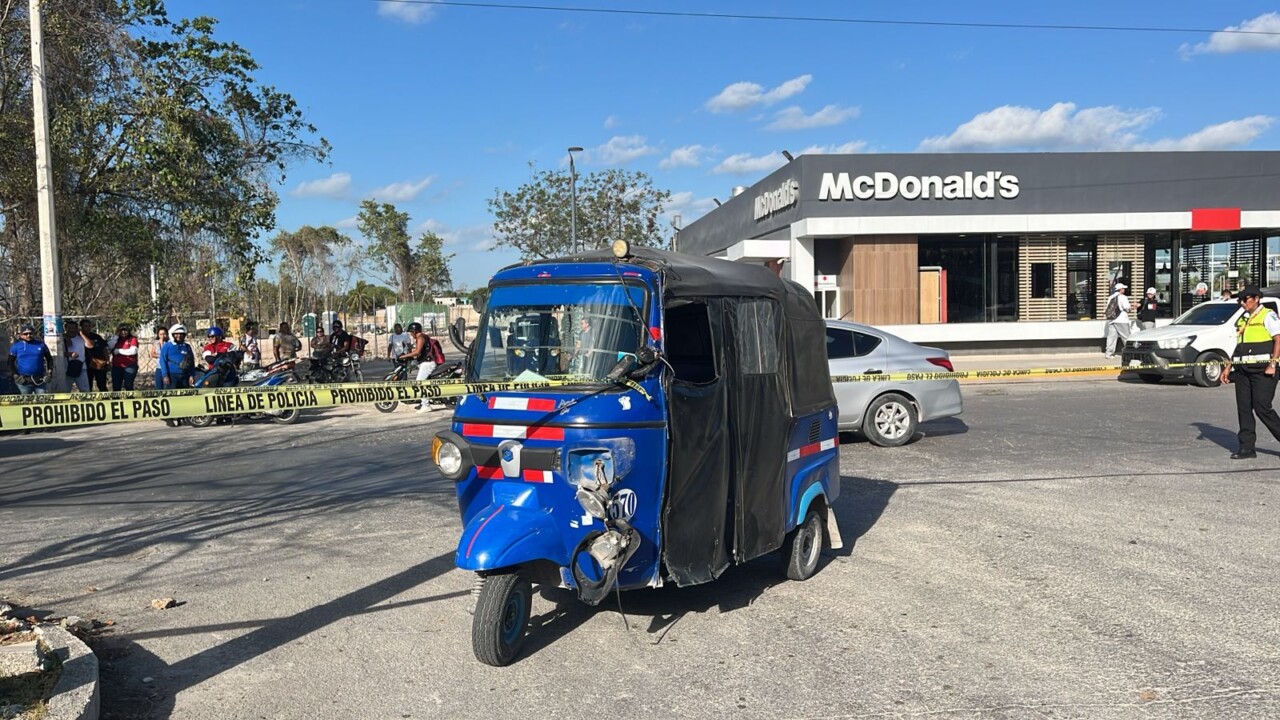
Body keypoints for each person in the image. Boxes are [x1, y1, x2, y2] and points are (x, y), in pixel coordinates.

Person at [1221, 286, 1280, 460]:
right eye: (1240, 300)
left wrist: (1273, 364)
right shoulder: (1243, 318)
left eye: (1245, 299)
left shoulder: (1268, 315)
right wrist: (1228, 367)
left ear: (1256, 299)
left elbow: (1278, 340)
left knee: (1262, 407)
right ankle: (1247, 448)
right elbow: (1239, 345)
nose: (1242, 303)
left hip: (1263, 370)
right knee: (1244, 408)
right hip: (1243, 370)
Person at [398, 322, 438, 412]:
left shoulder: (420, 338)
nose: (411, 334)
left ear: (415, 331)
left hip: (427, 363)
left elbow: (417, 352)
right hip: (424, 362)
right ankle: (423, 401)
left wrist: (405, 356)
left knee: (419, 383)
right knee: (423, 382)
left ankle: (426, 405)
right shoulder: (422, 337)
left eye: (411, 332)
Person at [7, 324, 53, 395]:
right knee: (25, 400)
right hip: (23, 381)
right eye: (25, 334)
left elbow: (49, 359)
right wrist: (15, 375)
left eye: (30, 333)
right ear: (21, 335)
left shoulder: (41, 345)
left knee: (42, 400)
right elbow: (10, 362)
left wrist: (49, 373)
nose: (28, 335)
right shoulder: (16, 346)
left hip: (40, 380)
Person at [158, 324, 196, 390]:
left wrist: (191, 375)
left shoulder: (187, 347)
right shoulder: (167, 346)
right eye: (176, 334)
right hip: (171, 376)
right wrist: (165, 375)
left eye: (181, 334)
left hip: (185, 376)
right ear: (172, 335)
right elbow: (162, 361)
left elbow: (191, 362)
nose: (179, 336)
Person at [79, 319, 110, 392]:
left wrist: (108, 361)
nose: (87, 328)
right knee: (88, 385)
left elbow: (104, 349)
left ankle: (105, 398)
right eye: (85, 326)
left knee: (102, 385)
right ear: (81, 327)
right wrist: (81, 334)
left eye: (89, 326)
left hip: (98, 363)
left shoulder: (96, 336)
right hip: (85, 365)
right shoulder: (78, 337)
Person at [1103, 282, 1132, 359]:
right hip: (1121, 320)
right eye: (1123, 288)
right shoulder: (1123, 297)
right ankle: (1130, 353)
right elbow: (1127, 307)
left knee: (1111, 337)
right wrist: (1130, 308)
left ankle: (1109, 353)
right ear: (1121, 289)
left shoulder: (1110, 297)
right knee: (1126, 337)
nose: (1124, 290)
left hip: (1112, 320)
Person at [108, 324, 140, 391]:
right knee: (116, 386)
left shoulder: (132, 339)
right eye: (121, 330)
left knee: (128, 385)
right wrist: (116, 336)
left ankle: (130, 397)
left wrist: (119, 351)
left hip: (129, 365)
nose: (123, 332)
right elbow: (110, 346)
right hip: (117, 366)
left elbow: (133, 351)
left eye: (125, 330)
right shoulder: (116, 339)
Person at [64, 319, 88, 391]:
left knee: (85, 390)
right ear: (65, 328)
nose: (71, 330)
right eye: (69, 328)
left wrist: (81, 334)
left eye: (73, 328)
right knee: (65, 390)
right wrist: (69, 354)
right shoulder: (62, 339)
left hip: (81, 367)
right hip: (66, 368)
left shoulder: (81, 338)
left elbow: (90, 345)